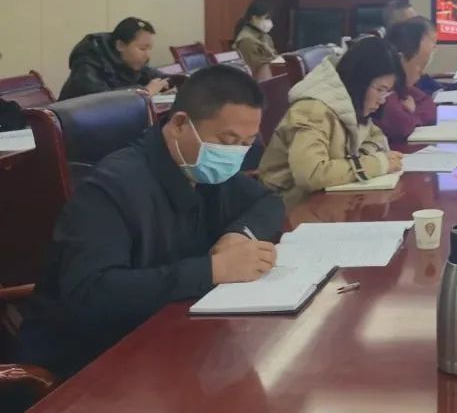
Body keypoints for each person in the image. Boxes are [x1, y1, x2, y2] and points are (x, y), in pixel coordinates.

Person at [18, 66, 284, 378]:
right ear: (180, 124)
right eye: (228, 140)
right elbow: (92, 294)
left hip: (171, 338)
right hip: (89, 362)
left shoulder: (203, 169)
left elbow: (268, 203)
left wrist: (239, 235)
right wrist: (212, 270)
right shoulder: (110, 187)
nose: (235, 154)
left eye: (247, 143)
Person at [257, 36, 403, 203]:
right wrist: (376, 164)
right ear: (360, 80)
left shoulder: (351, 103)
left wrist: (361, 158)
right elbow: (311, 174)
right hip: (289, 204)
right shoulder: (313, 111)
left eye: (386, 92)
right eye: (380, 90)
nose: (382, 100)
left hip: (327, 199)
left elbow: (376, 136)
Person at [59, 17, 170, 100]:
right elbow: (101, 99)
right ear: (120, 45)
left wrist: (171, 83)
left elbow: (159, 77)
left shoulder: (132, 61)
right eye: (142, 49)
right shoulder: (88, 61)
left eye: (149, 49)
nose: (147, 56)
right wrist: (145, 92)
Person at [379, 18, 440, 143]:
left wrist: (412, 115)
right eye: (419, 66)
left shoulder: (404, 88)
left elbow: (429, 108)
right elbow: (401, 126)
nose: (422, 73)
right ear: (400, 60)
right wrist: (410, 113)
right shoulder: (383, 90)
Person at [232, 0, 279, 78]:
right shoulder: (246, 40)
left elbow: (274, 57)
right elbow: (256, 67)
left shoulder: (265, 37)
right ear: (254, 18)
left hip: (271, 74)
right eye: (266, 18)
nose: (270, 22)